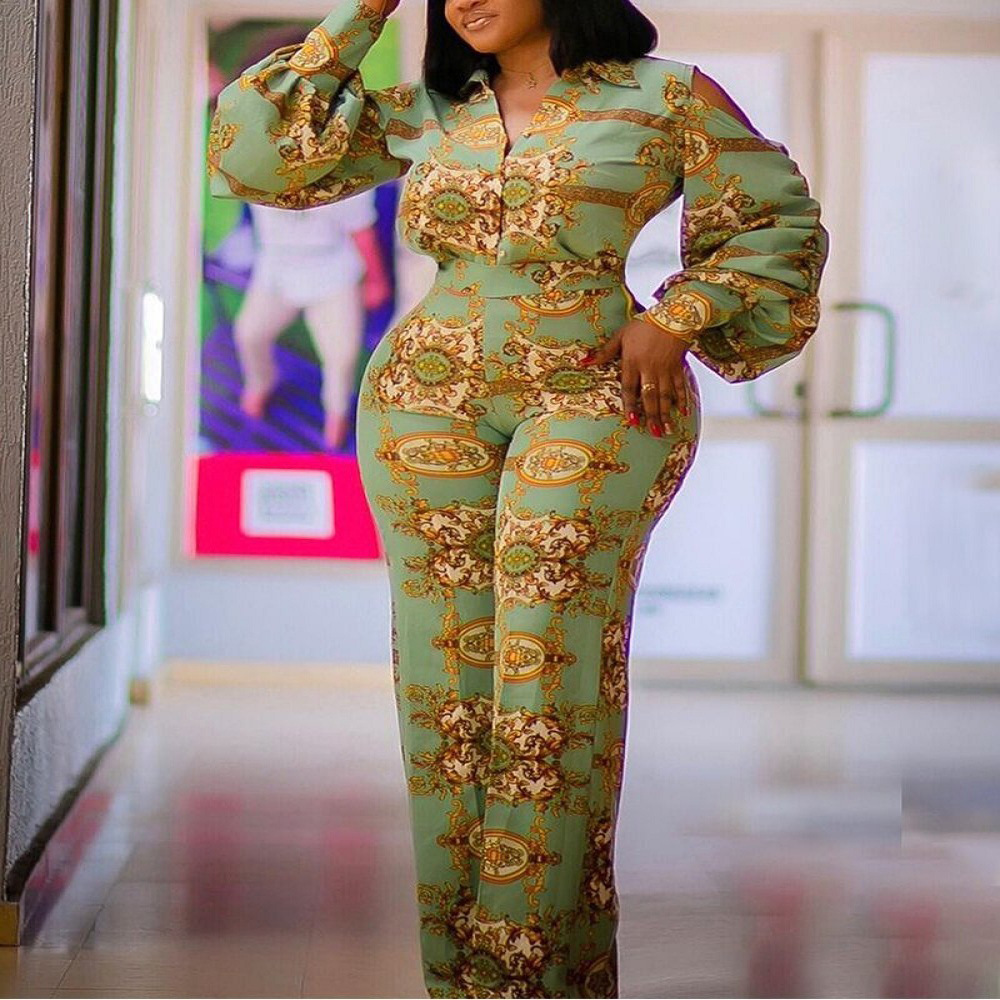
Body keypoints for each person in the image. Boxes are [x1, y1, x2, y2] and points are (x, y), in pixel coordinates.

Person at [208, 0, 829, 995]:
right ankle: (460, 979)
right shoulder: (428, 109)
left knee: (550, 678)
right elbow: (254, 155)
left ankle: (533, 972)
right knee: (445, 691)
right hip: (423, 399)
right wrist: (364, 10)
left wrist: (679, 316)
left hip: (598, 393)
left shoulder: (664, 96)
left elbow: (775, 223)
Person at [234, 196, 392, 450]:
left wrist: (376, 280)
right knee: (249, 333)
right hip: (276, 270)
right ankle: (260, 383)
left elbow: (362, 230)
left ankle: (336, 413)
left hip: (332, 272)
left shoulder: (341, 178)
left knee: (342, 356)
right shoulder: (253, 174)